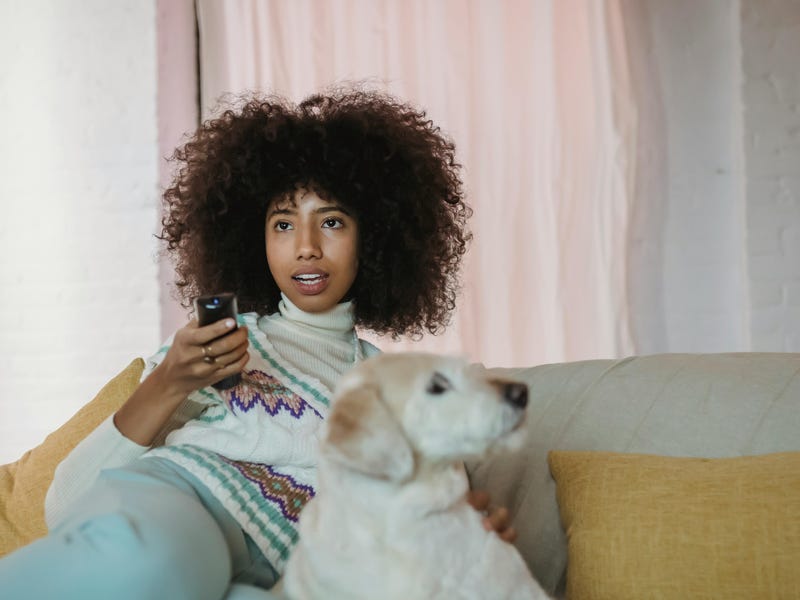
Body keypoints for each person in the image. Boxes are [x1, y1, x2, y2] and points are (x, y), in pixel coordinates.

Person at [0, 86, 514, 599]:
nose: (306, 247)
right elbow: (64, 504)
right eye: (283, 224)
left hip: (275, 575)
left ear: (374, 237)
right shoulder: (218, 346)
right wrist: (169, 381)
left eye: (331, 222)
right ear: (256, 239)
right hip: (180, 510)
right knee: (156, 566)